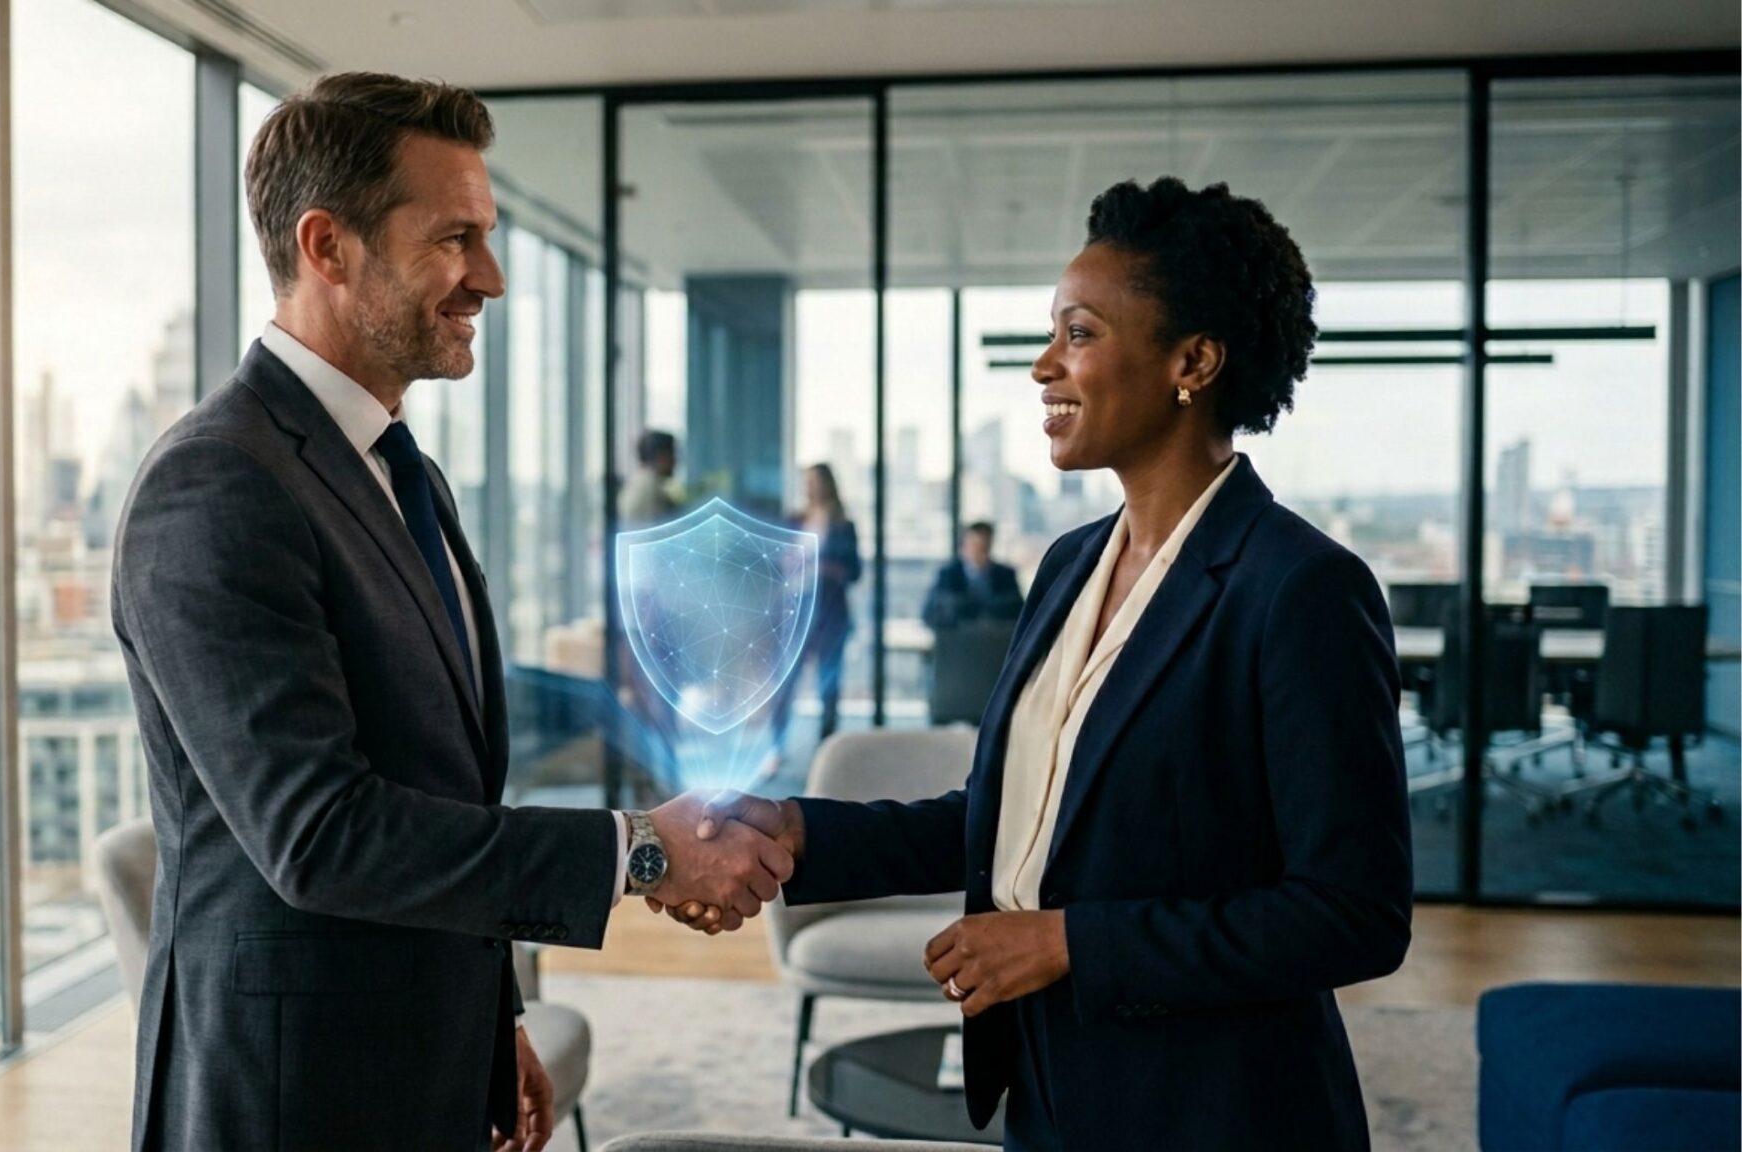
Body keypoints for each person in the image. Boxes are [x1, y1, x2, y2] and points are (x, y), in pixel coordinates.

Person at [111, 73, 792, 1152]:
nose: (491, 278)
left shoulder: (397, 466)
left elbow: (433, 780)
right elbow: (320, 833)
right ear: (327, 247)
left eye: (488, 236)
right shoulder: (216, 485)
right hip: (293, 1098)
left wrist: (491, 1015)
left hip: (420, 1053)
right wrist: (642, 855)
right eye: (453, 239)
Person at [672, 177, 1413, 1150]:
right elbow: (1005, 819)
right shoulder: (1067, 567)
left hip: (1213, 1109)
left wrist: (1068, 943)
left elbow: (1351, 914)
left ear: (1190, 360)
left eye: (1077, 333)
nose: (1040, 368)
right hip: (1048, 1082)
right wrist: (799, 832)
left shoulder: (1299, 590)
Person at [769, 463, 862, 745]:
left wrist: (823, 567)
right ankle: (777, 745)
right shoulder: (794, 520)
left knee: (829, 684)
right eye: (806, 481)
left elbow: (854, 571)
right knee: (786, 680)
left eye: (814, 481)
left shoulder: (843, 526)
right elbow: (778, 563)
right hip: (796, 609)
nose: (809, 487)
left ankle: (826, 746)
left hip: (830, 612)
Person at [921, 521, 1025, 632]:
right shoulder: (948, 575)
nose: (979, 551)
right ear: (964, 545)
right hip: (956, 640)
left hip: (996, 640)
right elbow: (929, 613)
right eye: (975, 545)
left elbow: (1019, 611)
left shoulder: (1006, 575)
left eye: (984, 546)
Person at [619, 428, 680, 526]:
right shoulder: (650, 488)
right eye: (672, 454)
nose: (675, 461)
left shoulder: (637, 481)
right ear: (662, 456)